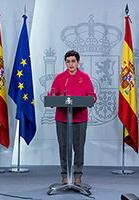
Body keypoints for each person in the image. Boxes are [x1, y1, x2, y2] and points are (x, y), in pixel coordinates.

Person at [49, 50, 97, 184]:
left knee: (79, 147)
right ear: (65, 63)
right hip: (62, 118)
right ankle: (65, 174)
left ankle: (78, 175)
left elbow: (92, 95)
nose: (71, 64)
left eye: (73, 61)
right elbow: (53, 94)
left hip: (80, 119)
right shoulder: (60, 78)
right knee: (63, 147)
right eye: (68, 61)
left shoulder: (85, 77)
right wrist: (53, 98)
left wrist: (89, 99)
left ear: (78, 62)